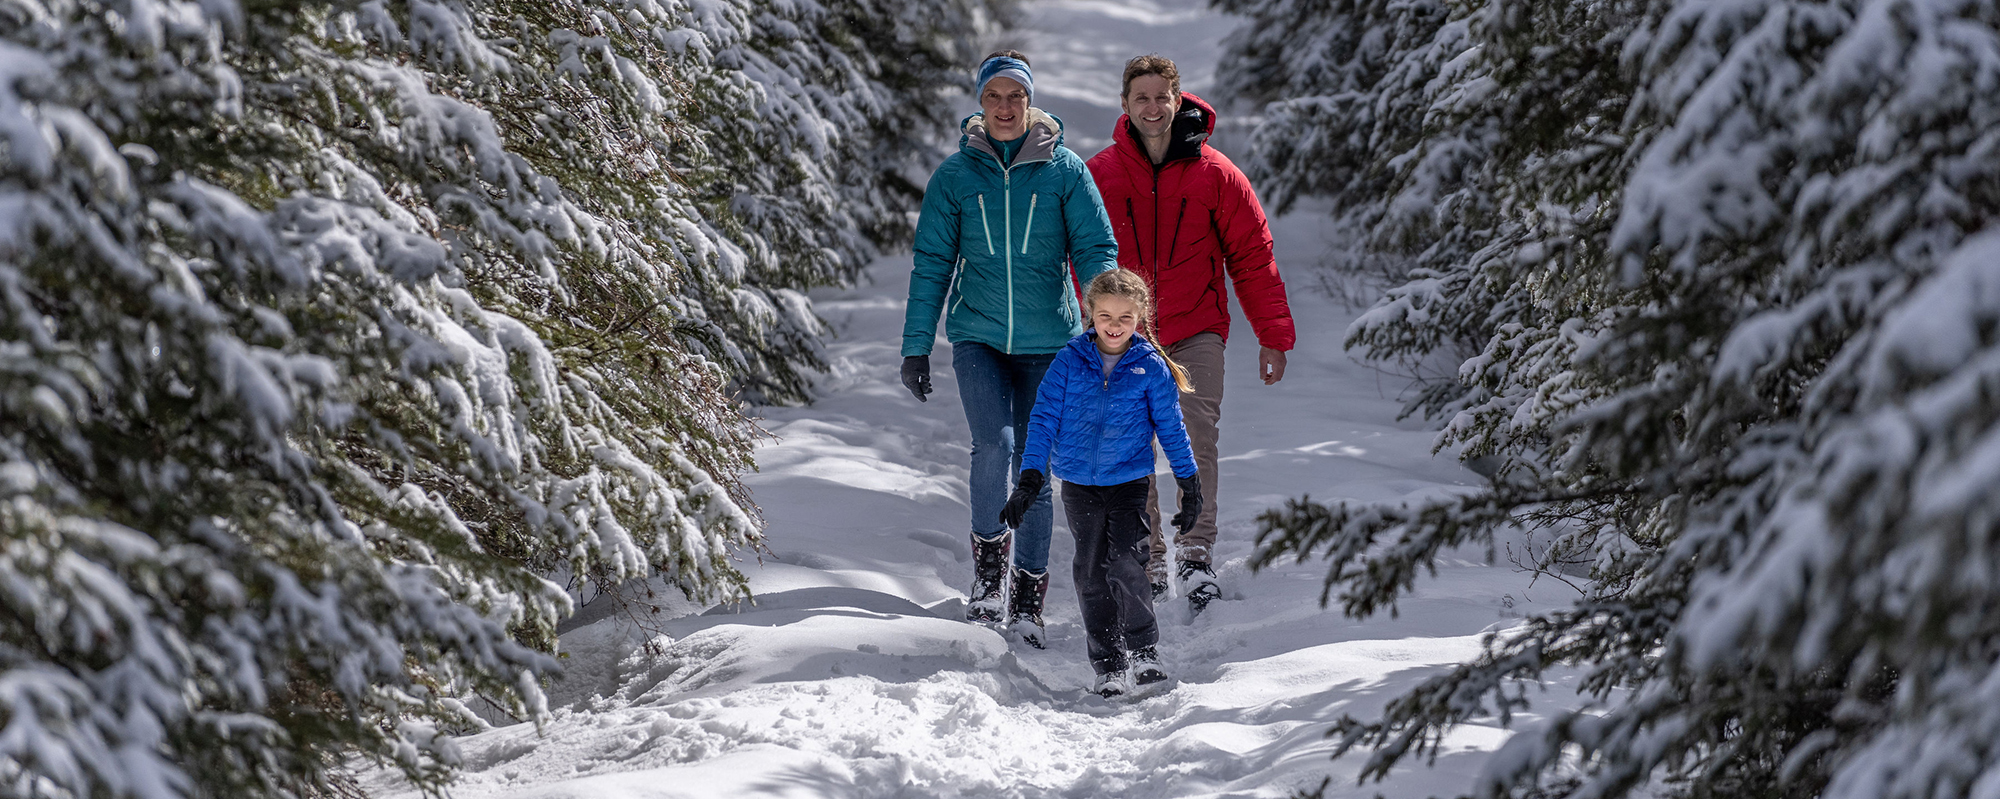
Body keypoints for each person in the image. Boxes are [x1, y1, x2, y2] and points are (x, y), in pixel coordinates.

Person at [901, 50, 1119, 646]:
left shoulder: (1065, 171)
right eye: (994, 96)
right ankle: (988, 578)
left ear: (1030, 102)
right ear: (979, 101)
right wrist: (917, 345)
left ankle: (1027, 594)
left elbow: (1097, 249)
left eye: (1015, 97)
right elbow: (931, 266)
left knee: (1035, 469)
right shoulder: (955, 176)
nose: (1004, 107)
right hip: (978, 336)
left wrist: (1107, 321)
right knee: (991, 449)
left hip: (1052, 342)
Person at [1085, 54, 1295, 613]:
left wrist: (1273, 334)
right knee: (1133, 441)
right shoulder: (1101, 174)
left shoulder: (1216, 174)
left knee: (1196, 431)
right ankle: (1149, 558)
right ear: (1125, 106)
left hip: (1197, 327)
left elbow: (1253, 257)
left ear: (1179, 101)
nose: (1152, 108)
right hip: (1125, 336)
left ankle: (1195, 553)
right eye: (1141, 98)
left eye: (1162, 97)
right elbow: (1074, 257)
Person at [1002, 269, 1201, 696]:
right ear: (1089, 313)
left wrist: (1190, 482)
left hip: (1130, 481)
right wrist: (1030, 478)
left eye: (1125, 317)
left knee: (1128, 562)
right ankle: (1109, 662)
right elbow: (1042, 420)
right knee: (1091, 570)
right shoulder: (1068, 361)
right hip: (1078, 482)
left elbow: (1171, 427)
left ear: (1140, 318)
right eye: (1106, 315)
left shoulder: (1149, 367)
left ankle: (1143, 648)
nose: (1114, 325)